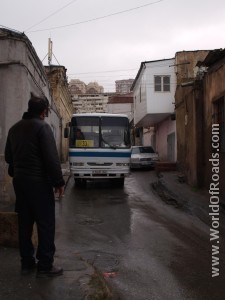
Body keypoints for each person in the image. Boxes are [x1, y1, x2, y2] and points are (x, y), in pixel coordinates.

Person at [4, 94, 65, 278]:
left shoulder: (14, 129)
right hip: (39, 183)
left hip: (20, 183)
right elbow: (51, 158)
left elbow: (8, 157)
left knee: (25, 224)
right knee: (45, 224)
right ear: (44, 111)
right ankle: (45, 265)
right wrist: (58, 182)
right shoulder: (43, 127)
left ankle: (27, 263)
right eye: (46, 111)